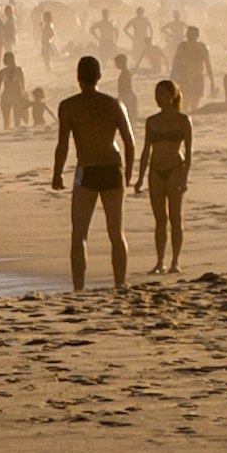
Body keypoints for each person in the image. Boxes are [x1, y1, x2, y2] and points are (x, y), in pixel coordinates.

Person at [50, 56, 136, 291]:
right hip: (112, 168)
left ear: (77, 77)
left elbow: (63, 144)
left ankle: (79, 287)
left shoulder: (68, 106)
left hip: (86, 169)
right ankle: (120, 283)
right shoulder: (114, 104)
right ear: (99, 76)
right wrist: (128, 173)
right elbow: (129, 143)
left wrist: (57, 174)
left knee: (79, 234)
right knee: (116, 232)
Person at [134, 80, 193, 275]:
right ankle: (160, 262)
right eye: (156, 94)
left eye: (162, 94)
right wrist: (140, 177)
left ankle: (175, 261)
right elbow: (145, 151)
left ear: (172, 96)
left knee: (176, 217)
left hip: (176, 168)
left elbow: (189, 151)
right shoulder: (152, 121)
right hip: (156, 171)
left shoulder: (183, 120)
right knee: (160, 218)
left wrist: (185, 177)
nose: (158, 98)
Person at [170, 26, 216, 111]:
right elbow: (175, 62)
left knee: (195, 102)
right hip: (185, 77)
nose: (190, 36)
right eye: (189, 34)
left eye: (193, 34)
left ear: (197, 35)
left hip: (198, 76)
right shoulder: (182, 46)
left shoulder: (202, 47)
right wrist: (173, 77)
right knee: (185, 102)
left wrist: (212, 81)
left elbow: (208, 64)